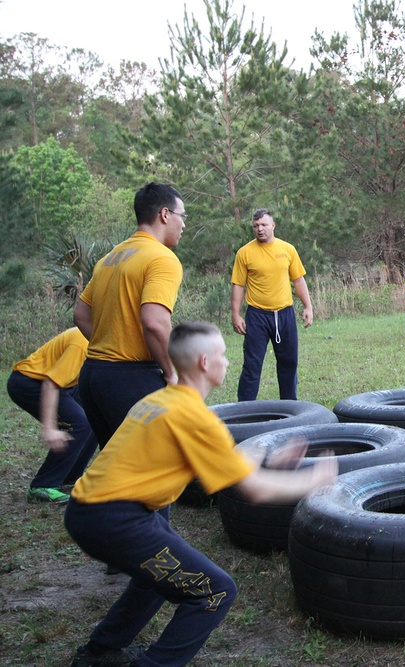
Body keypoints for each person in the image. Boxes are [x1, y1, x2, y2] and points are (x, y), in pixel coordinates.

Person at [64, 322, 338, 667]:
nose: (227, 361)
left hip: (92, 511)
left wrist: (270, 459)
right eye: (222, 355)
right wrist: (316, 479)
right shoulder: (195, 417)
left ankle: (99, 653)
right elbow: (254, 489)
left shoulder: (163, 400)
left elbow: (226, 460)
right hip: (115, 519)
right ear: (205, 363)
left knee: (154, 579)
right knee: (215, 591)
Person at [74, 182, 186, 448]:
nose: (183, 225)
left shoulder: (110, 258)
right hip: (130, 379)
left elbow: (80, 314)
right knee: (153, 466)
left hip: (92, 377)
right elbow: (155, 323)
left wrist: (110, 343)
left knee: (119, 468)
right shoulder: (162, 258)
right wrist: (172, 373)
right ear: (165, 214)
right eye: (183, 216)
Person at [6, 327, 99, 503]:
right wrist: (49, 428)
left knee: (93, 419)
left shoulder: (99, 339)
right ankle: (42, 486)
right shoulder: (82, 341)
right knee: (80, 423)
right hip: (30, 383)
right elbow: (51, 383)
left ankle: (71, 477)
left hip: (64, 385)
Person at [231, 208, 313, 401]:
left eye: (264, 225)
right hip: (257, 316)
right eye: (256, 226)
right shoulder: (245, 253)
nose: (260, 229)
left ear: (273, 226)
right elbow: (238, 285)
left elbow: (299, 280)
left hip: (285, 314)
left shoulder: (287, 249)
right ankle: (244, 409)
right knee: (252, 365)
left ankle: (289, 406)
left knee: (289, 363)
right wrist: (235, 314)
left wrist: (308, 307)